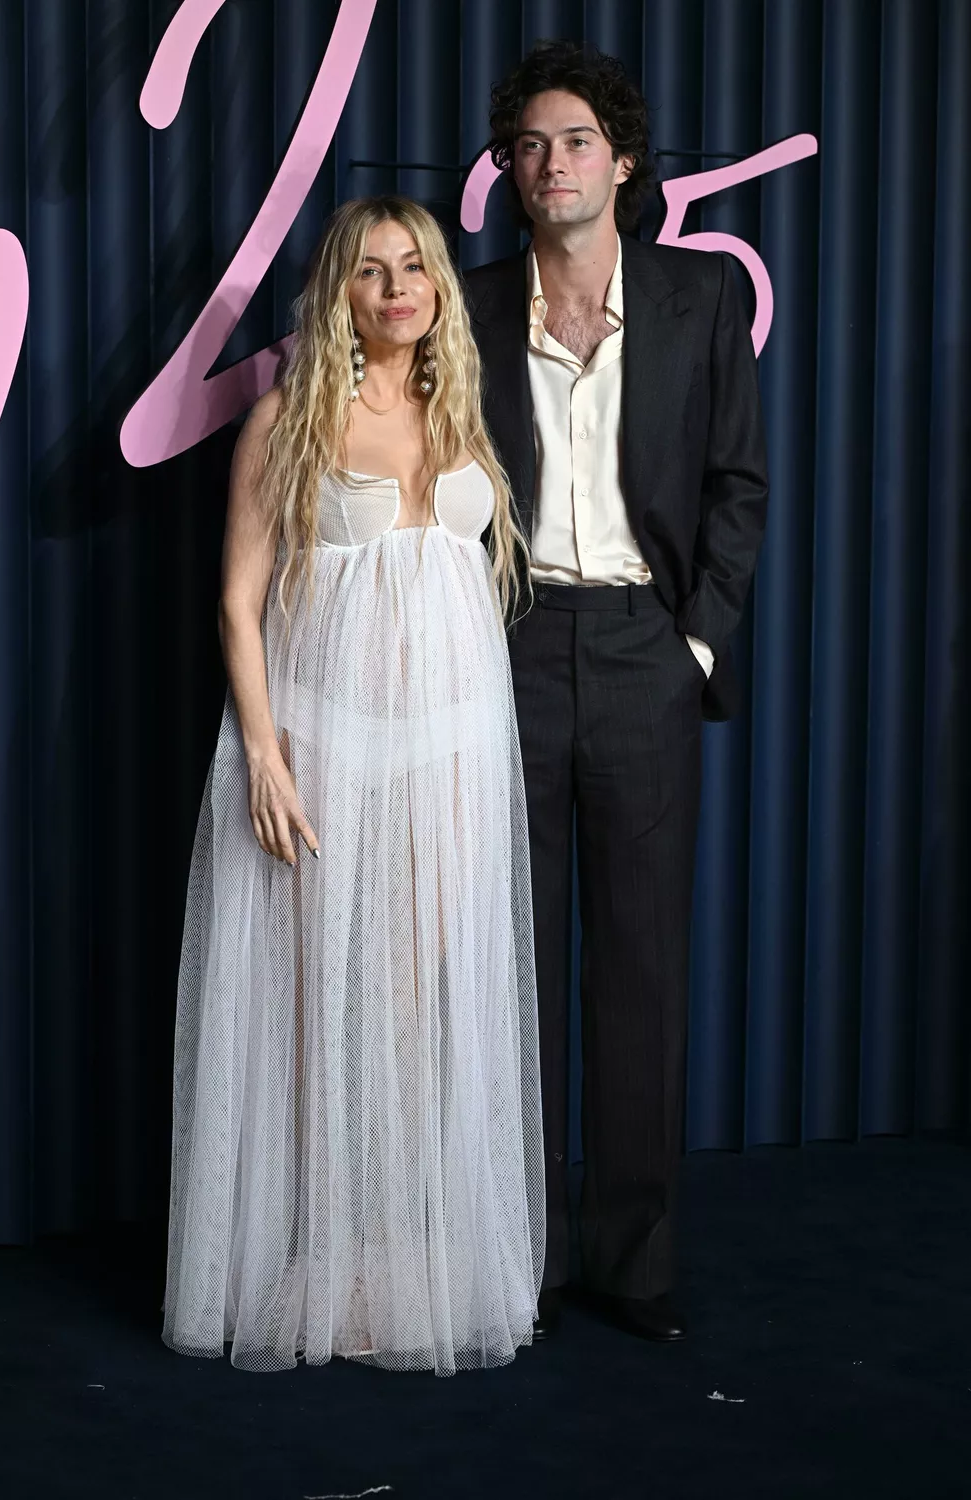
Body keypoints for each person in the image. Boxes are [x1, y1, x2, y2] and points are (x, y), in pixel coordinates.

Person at [162, 195, 545, 1375]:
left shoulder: (458, 405)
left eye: (415, 267)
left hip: (455, 748)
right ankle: (323, 1256)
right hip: (328, 747)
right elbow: (238, 603)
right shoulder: (286, 419)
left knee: (422, 1010)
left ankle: (401, 1253)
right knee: (323, 1006)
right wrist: (264, 756)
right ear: (339, 290)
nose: (397, 289)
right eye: (373, 270)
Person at [464, 41, 768, 1342]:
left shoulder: (700, 297)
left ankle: (632, 1266)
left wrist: (694, 646)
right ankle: (516, 1261)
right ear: (511, 171)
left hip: (647, 651)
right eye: (530, 145)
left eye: (576, 140)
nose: (552, 163)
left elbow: (736, 487)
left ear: (623, 161)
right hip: (510, 653)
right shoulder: (467, 304)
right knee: (510, 974)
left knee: (639, 975)